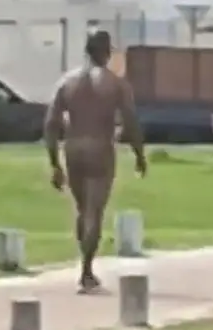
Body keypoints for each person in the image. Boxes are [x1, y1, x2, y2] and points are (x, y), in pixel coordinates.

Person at [44, 30, 147, 294]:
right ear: (105, 52)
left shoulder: (67, 82)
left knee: (81, 210)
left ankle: (85, 265)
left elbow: (51, 124)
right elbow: (131, 121)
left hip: (74, 148)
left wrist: (54, 162)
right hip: (100, 148)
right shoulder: (116, 84)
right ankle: (86, 271)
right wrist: (139, 154)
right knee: (94, 212)